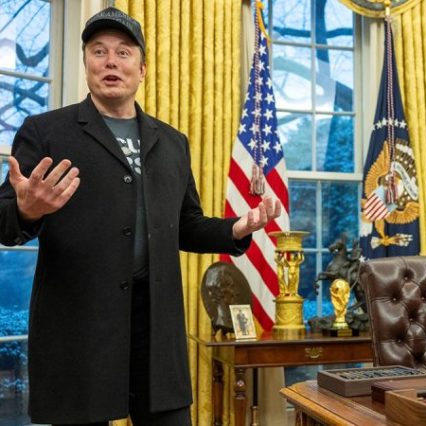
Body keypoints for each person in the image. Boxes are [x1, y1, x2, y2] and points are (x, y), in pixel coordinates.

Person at [0, 7, 280, 425]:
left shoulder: (172, 142)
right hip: (80, 329)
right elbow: (5, 219)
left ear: (142, 69)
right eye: (99, 51)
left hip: (157, 329)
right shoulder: (46, 131)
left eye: (123, 52)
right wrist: (26, 209)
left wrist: (236, 228)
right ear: (86, 63)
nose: (110, 61)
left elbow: (186, 225)